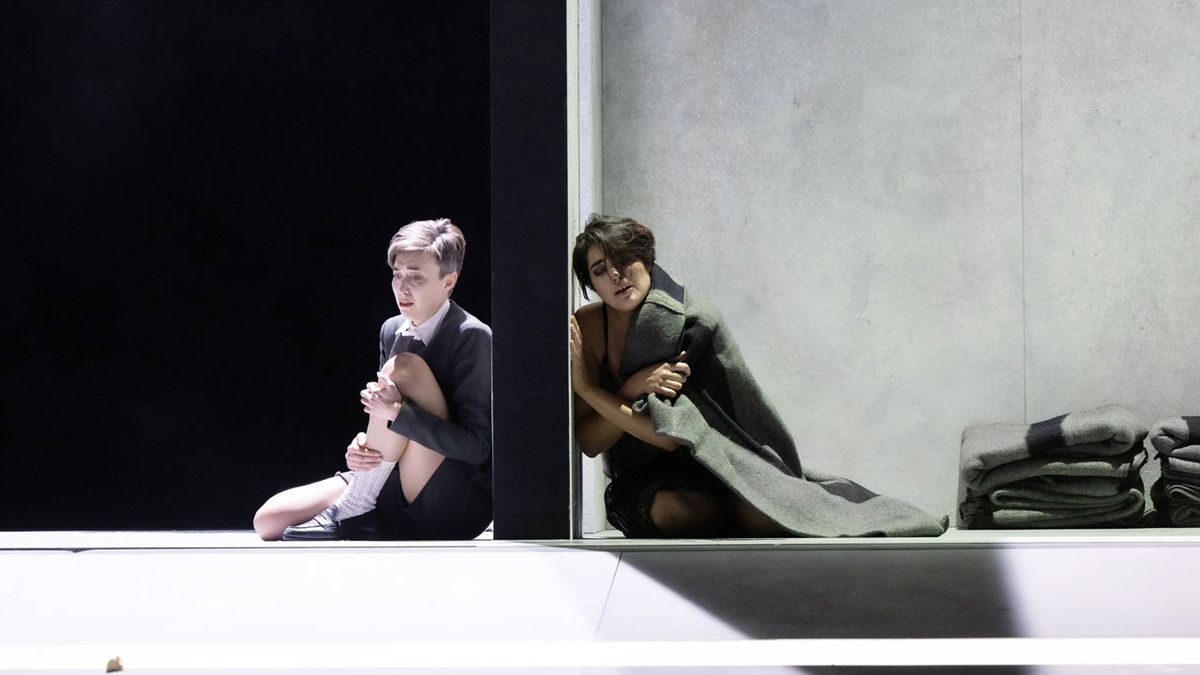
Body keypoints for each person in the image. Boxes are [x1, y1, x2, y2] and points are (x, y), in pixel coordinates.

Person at [569, 214, 947, 538]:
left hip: (715, 465)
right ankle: (731, 510)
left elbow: (670, 437)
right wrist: (625, 387)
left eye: (624, 259)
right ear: (591, 284)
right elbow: (588, 440)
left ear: (646, 258)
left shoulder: (691, 321)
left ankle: (741, 505)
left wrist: (596, 393)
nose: (616, 275)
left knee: (775, 515)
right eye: (600, 270)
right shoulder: (588, 329)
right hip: (645, 480)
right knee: (672, 511)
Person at [254, 218, 492, 541]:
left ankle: (356, 504)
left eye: (416, 277)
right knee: (268, 521)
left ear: (449, 281)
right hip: (394, 483)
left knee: (406, 367)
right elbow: (386, 421)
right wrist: (365, 447)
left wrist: (397, 414)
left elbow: (478, 449)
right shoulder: (391, 330)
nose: (402, 288)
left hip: (451, 501)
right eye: (397, 274)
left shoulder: (471, 335)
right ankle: (361, 501)